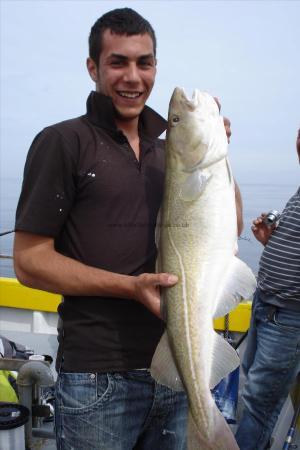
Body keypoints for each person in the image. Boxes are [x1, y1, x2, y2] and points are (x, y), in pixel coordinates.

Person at [13, 8, 242, 449]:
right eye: (118, 62)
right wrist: (130, 287)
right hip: (97, 377)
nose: (133, 77)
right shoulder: (63, 142)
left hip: (176, 366)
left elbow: (227, 231)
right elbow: (29, 262)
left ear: (156, 65)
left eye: (145, 62)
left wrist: (221, 158)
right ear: (93, 67)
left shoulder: (168, 153)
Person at [235, 128, 300, 449]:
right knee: (251, 384)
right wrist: (269, 242)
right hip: (265, 304)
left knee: (259, 402)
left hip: (289, 317)